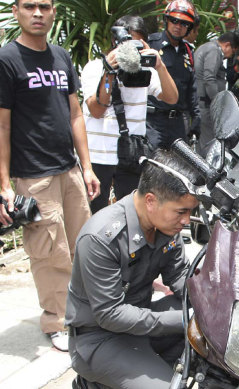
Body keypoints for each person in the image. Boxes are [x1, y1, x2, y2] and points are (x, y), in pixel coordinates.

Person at [0, 0, 100, 351]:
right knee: (51, 252)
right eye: (29, 6)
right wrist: (4, 186)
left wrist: (86, 166)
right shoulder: (7, 59)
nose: (38, 13)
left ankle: (84, 315)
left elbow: (75, 114)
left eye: (44, 6)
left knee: (84, 244)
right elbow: (2, 124)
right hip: (33, 175)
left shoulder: (60, 56)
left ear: (54, 11)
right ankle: (57, 322)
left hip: (68, 168)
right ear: (16, 12)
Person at [66, 149, 199, 389]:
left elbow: (179, 276)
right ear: (151, 201)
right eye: (181, 212)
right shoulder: (101, 237)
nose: (186, 221)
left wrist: (210, 302)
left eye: (190, 212)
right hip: (99, 339)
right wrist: (185, 320)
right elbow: (110, 314)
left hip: (139, 324)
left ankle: (152, 370)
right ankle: (96, 382)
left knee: (204, 324)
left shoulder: (166, 227)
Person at [82, 15, 178, 214]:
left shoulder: (146, 72)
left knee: (130, 215)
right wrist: (109, 72)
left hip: (130, 157)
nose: (132, 51)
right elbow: (97, 109)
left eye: (138, 44)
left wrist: (159, 65)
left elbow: (171, 98)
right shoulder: (95, 68)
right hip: (100, 157)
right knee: (95, 215)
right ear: (114, 43)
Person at [146, 0, 200, 150]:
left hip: (177, 123)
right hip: (153, 122)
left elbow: (191, 88)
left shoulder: (188, 51)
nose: (178, 26)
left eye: (184, 24)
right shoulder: (152, 44)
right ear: (166, 20)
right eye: (174, 21)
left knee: (179, 167)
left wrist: (196, 118)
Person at [194, 31, 239, 156]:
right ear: (227, 45)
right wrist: (217, 103)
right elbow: (209, 78)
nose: (230, 56)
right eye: (233, 51)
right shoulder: (214, 50)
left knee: (204, 142)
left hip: (203, 102)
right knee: (208, 144)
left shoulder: (206, 47)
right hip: (206, 104)